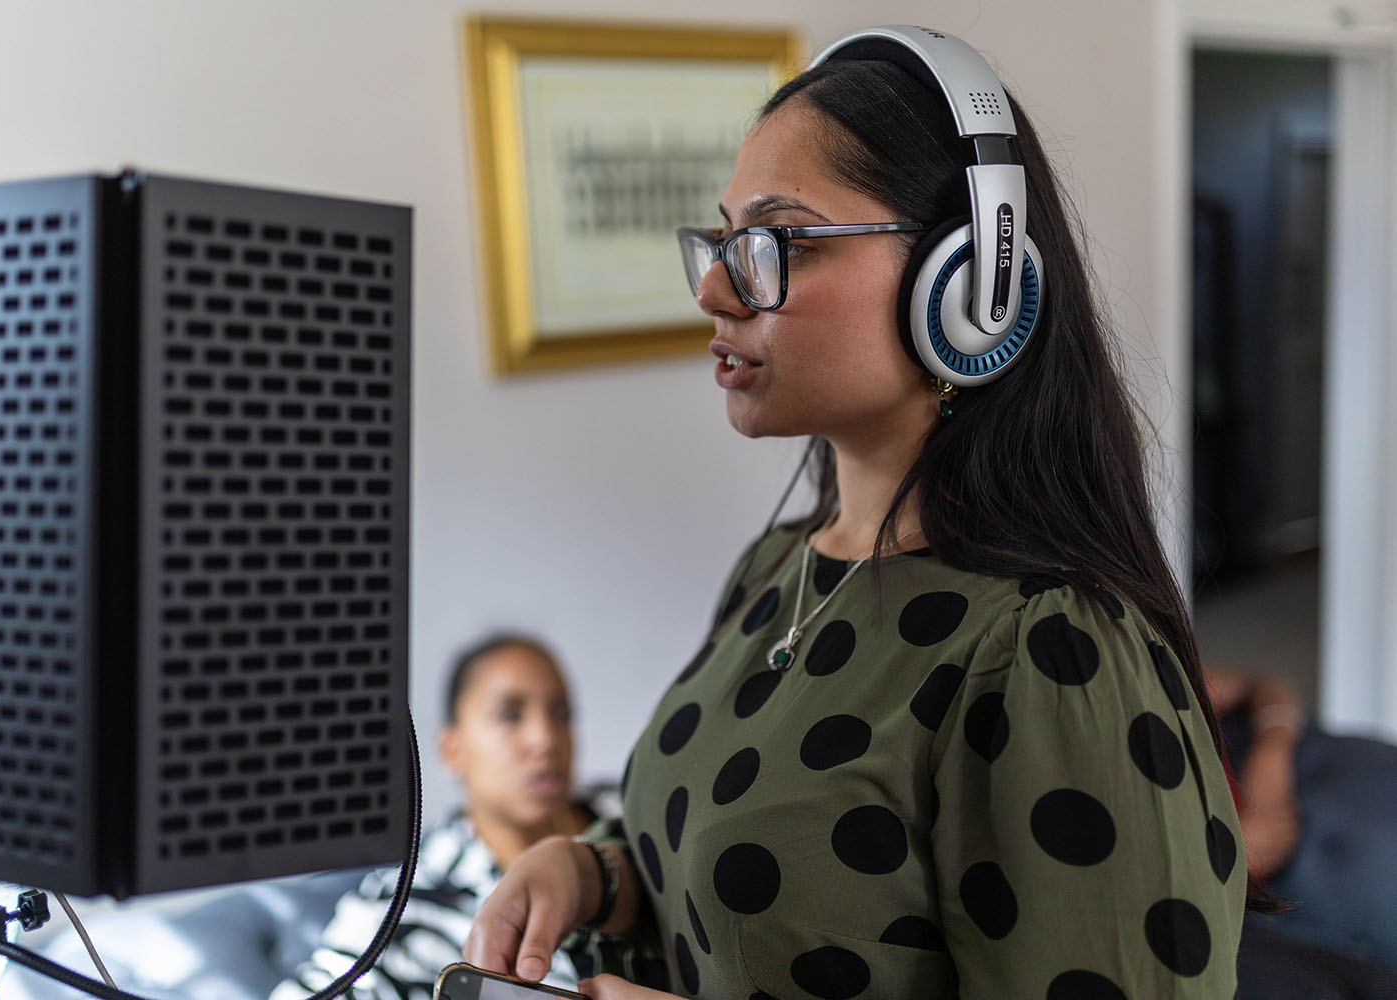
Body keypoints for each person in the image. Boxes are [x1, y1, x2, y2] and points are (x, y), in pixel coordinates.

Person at [463, 26, 1250, 1000]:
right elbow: (762, 878)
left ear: (972, 284)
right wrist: (596, 875)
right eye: (722, 241)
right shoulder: (780, 566)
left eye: (778, 241)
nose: (713, 289)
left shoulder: (1049, 647)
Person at [270, 634, 652, 1000]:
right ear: (451, 749)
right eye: (509, 715)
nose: (545, 739)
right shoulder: (406, 905)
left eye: (560, 714)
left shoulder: (639, 817)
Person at [1207, 664, 1397, 992]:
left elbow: (1264, 684)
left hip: (1315, 771)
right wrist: (1229, 858)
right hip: (1270, 905)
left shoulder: (1146, 679)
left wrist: (1272, 746)